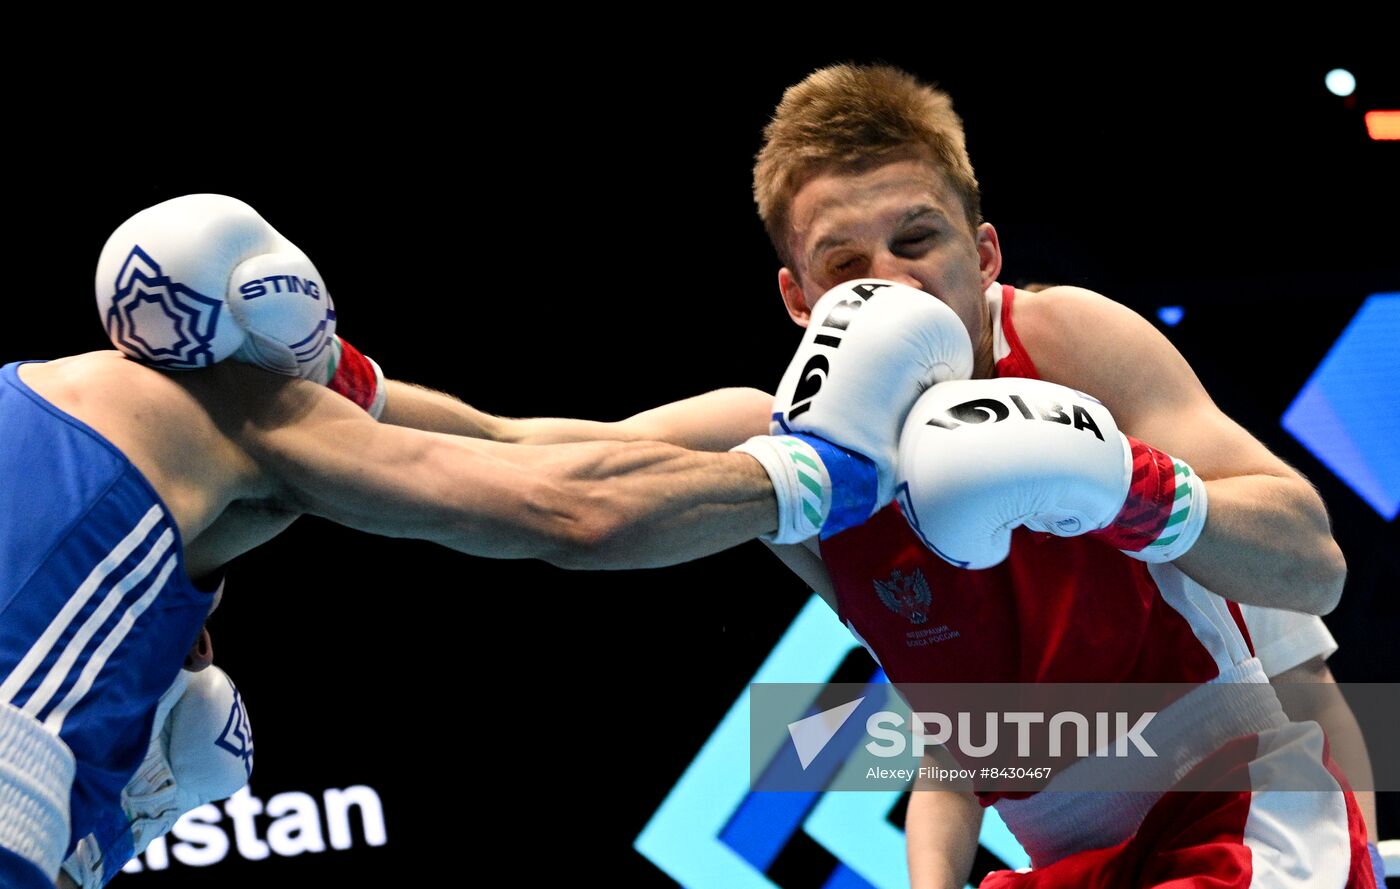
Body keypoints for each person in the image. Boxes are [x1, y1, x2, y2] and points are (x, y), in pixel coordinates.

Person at [2, 195, 962, 887]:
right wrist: (820, 476)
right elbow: (562, 508)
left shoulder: (60, 409)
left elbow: (500, 438)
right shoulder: (228, 416)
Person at [740, 65, 1378, 887]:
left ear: (983, 253)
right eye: (848, 263)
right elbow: (960, 740)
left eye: (916, 240)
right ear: (800, 298)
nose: (892, 283)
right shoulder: (818, 451)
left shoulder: (1074, 350)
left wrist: (1129, 489)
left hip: (1233, 819)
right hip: (1068, 866)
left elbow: (1310, 619)